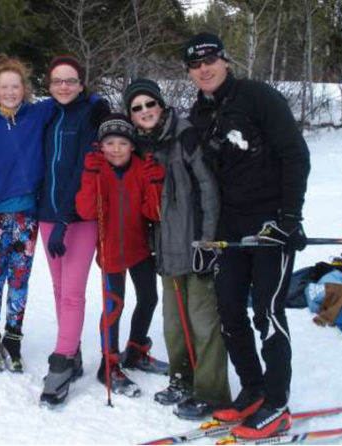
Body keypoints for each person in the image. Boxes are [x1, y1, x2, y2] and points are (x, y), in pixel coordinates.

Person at [186, 32, 310, 438]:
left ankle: (277, 403)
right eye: (195, 64)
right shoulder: (199, 115)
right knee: (230, 312)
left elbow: (295, 154)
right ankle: (253, 390)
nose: (204, 69)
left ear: (225, 61)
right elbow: (204, 183)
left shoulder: (258, 96)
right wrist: (207, 237)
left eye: (209, 60)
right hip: (229, 229)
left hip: (271, 222)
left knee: (268, 313)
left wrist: (290, 218)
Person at [124, 79, 230, 418]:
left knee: (203, 321)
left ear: (160, 104)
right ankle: (182, 379)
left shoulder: (183, 134)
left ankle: (211, 391)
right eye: (136, 108)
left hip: (195, 243)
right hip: (166, 250)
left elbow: (209, 189)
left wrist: (209, 241)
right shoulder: (139, 147)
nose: (144, 112)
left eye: (149, 104)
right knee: (174, 322)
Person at [75, 113, 168, 398]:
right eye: (110, 143)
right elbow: (86, 211)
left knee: (149, 298)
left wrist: (155, 183)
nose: (116, 149)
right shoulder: (96, 169)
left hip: (140, 249)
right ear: (100, 146)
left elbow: (154, 213)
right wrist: (91, 176)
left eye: (123, 143)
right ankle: (109, 364)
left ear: (132, 145)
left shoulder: (141, 168)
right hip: (111, 250)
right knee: (114, 306)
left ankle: (136, 350)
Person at [0, 55, 55, 373]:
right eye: (4, 86)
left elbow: (70, 94)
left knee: (20, 281)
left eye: (16, 86)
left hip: (28, 218)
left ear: (24, 88)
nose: (10, 92)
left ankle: (13, 340)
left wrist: (94, 99)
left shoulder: (37, 114)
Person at [37, 55, 108, 407]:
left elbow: (84, 170)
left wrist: (64, 220)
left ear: (82, 84)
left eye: (70, 80)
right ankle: (75, 351)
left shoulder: (90, 116)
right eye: (57, 81)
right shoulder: (47, 114)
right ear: (49, 86)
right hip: (46, 217)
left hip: (78, 218)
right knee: (58, 288)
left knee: (73, 293)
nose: (64, 86)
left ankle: (62, 359)